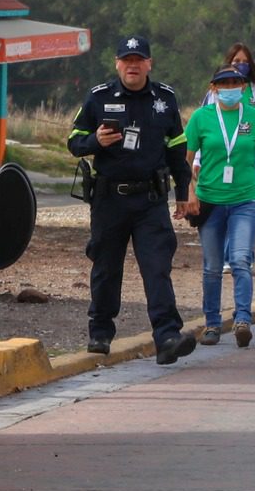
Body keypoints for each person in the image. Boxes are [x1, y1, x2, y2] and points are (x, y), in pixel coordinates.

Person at [66, 36, 200, 365]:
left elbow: (177, 151)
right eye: (127, 60)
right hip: (109, 199)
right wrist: (95, 140)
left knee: (157, 268)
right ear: (117, 63)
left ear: (149, 64)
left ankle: (167, 336)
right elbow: (73, 140)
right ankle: (100, 332)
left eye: (139, 59)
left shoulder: (165, 99)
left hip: (151, 200)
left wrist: (183, 192)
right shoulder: (99, 97)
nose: (133, 65)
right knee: (106, 268)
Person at [184, 63, 255, 347]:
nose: (230, 88)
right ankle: (212, 324)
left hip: (244, 201)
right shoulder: (200, 118)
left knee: (242, 259)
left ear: (244, 87)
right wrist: (188, 193)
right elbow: (185, 158)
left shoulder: (254, 117)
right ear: (213, 88)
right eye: (224, 83)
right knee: (212, 266)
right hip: (209, 201)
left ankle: (243, 318)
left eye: (235, 83)